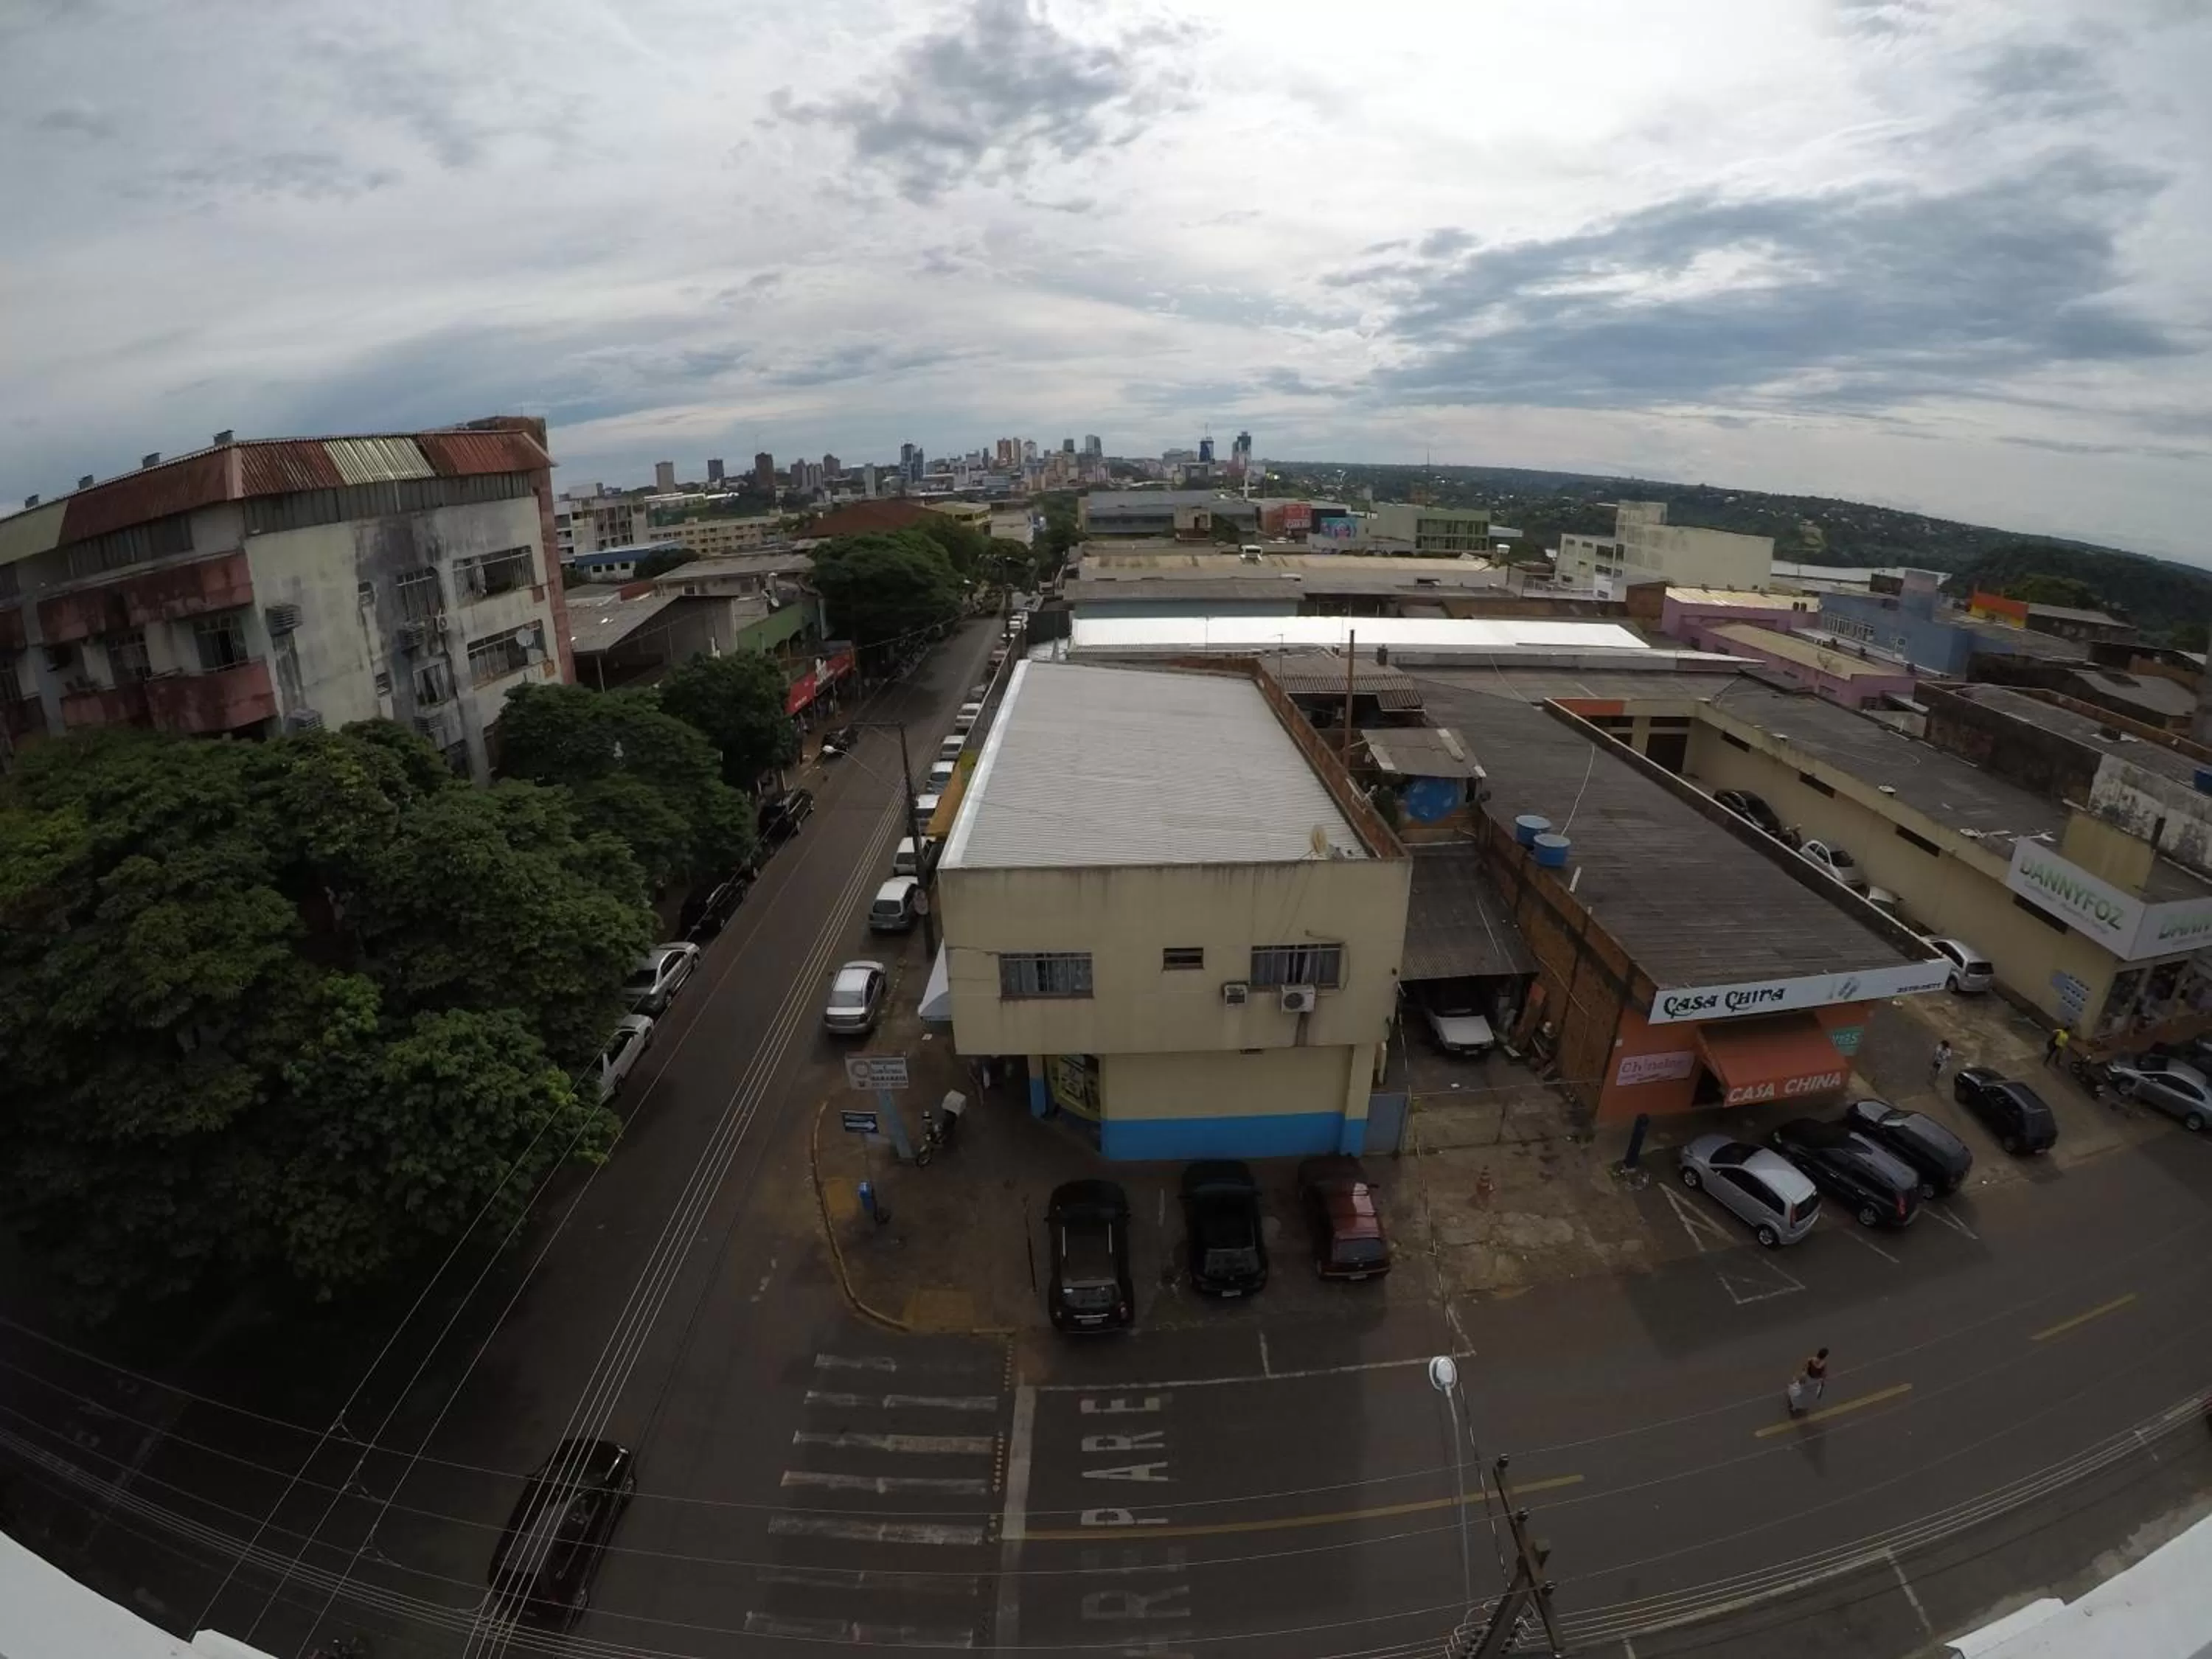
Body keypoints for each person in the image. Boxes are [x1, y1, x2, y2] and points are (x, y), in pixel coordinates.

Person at [1789, 1347, 1830, 1415]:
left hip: (1808, 1379)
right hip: (1815, 1382)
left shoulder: (1811, 1360)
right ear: (1825, 1356)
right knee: (1810, 1395)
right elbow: (1824, 1375)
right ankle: (1804, 1405)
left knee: (1802, 1392)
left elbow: (1804, 1369)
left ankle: (1795, 1406)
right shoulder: (1824, 1364)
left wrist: (1800, 1377)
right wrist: (1822, 1385)